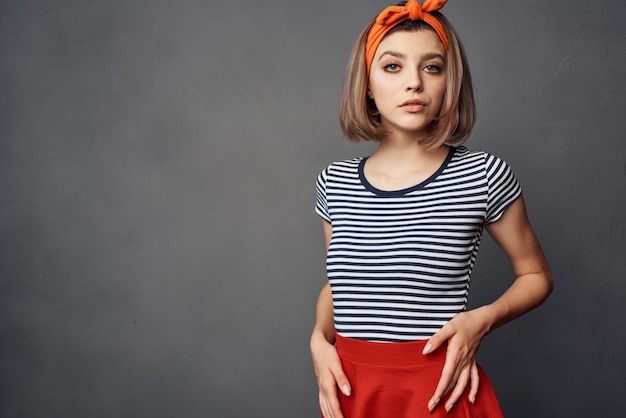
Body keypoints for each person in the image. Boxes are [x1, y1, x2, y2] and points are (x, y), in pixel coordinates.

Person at [310, 1, 554, 417]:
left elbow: (535, 275)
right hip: (354, 391)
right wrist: (318, 337)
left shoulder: (483, 175)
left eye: (432, 67)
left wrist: (481, 321)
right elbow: (341, 282)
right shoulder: (334, 183)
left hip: (439, 391)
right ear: (367, 84)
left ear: (450, 82)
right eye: (392, 67)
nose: (413, 84)